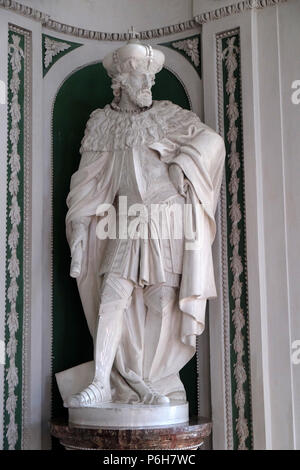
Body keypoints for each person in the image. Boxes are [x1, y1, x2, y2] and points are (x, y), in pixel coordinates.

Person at [64, 39, 225, 408]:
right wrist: (79, 233)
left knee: (162, 301)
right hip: (125, 223)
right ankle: (103, 381)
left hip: (165, 221)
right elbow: (88, 183)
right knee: (112, 297)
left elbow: (212, 141)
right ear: (120, 83)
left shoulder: (168, 115)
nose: (148, 88)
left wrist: (182, 163)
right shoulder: (102, 124)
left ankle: (152, 380)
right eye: (141, 82)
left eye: (151, 81)